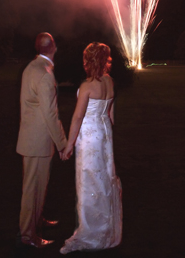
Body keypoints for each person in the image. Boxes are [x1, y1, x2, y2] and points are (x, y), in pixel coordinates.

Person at [60, 42, 122, 254]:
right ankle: (104, 227)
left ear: (89, 61)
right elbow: (111, 115)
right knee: (104, 179)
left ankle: (90, 234)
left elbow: (78, 117)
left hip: (90, 136)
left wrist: (68, 145)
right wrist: (107, 133)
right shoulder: (110, 81)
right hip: (105, 134)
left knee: (88, 182)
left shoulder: (88, 86)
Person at [16, 32, 67, 248]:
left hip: (31, 138)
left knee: (36, 187)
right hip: (38, 142)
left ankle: (37, 220)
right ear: (53, 47)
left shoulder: (31, 67)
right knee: (33, 189)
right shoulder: (45, 74)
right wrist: (63, 143)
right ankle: (29, 235)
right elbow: (50, 114)